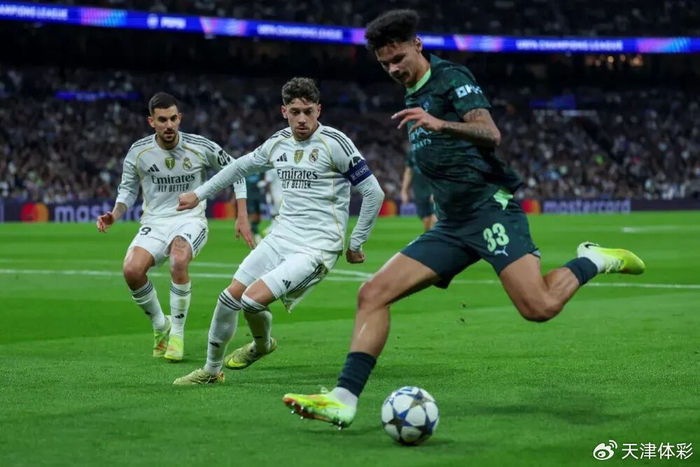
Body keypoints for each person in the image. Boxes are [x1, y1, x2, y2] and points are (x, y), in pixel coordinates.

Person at [281, 9, 646, 428]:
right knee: (372, 294)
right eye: (385, 64)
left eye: (398, 58)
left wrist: (440, 124)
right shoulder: (412, 95)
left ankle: (594, 259)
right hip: (452, 225)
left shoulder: (450, 78)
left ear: (418, 45)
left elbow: (491, 134)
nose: (394, 69)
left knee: (539, 307)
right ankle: (343, 400)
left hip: (489, 210)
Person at [173, 77, 385, 385]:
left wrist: (355, 243)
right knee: (228, 298)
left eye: (308, 111)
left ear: (319, 110)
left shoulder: (335, 144)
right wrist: (198, 194)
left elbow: (373, 192)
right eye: (295, 112)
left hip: (316, 247)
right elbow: (239, 167)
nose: (302, 119)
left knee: (251, 301)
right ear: (284, 111)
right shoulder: (278, 142)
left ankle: (260, 346)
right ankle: (210, 371)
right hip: (281, 237)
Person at [96, 92, 253, 362]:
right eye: (162, 120)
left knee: (178, 259)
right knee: (132, 270)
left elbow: (237, 169)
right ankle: (161, 325)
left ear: (179, 118)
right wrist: (115, 213)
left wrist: (242, 215)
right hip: (155, 222)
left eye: (173, 119)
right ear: (151, 121)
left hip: (190, 219)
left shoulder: (199, 146)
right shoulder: (139, 152)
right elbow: (128, 190)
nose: (169, 125)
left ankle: (177, 335)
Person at [400, 156, 436, 231]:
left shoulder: (435, 151)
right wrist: (404, 191)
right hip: (419, 192)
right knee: (426, 221)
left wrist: (437, 190)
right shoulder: (412, 153)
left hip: (434, 190)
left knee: (435, 219)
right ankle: (431, 237)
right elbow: (408, 172)